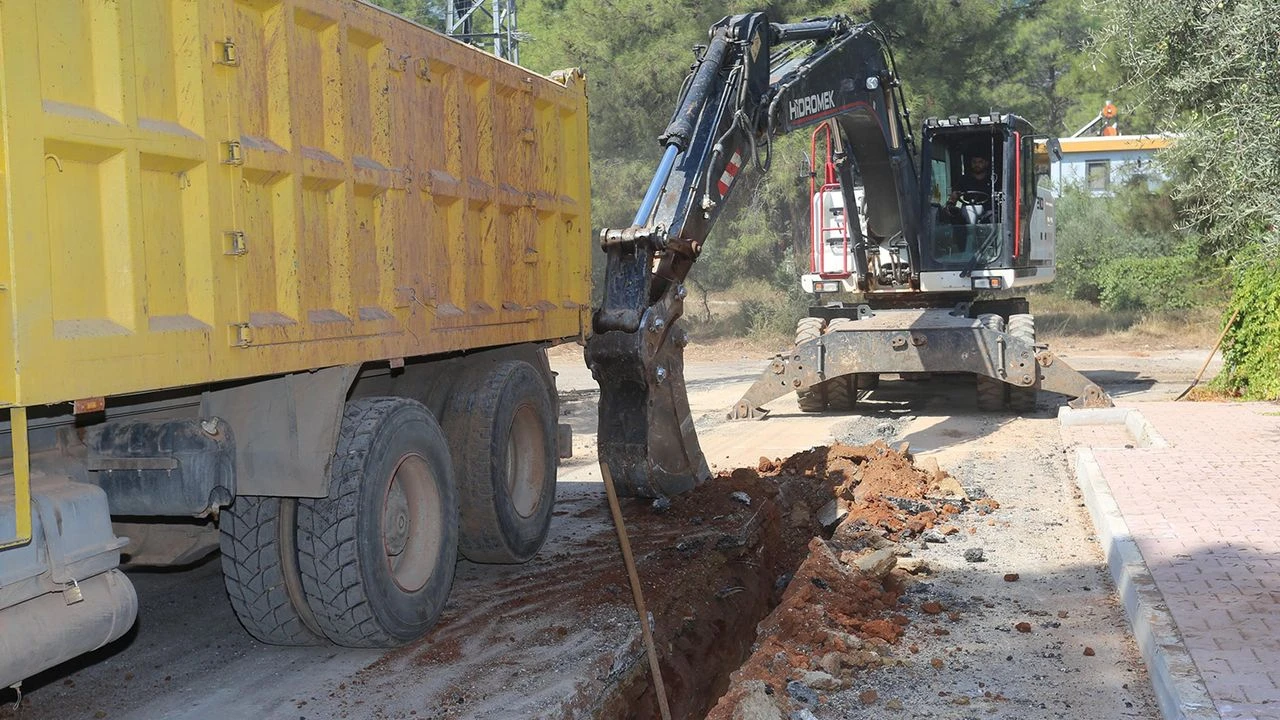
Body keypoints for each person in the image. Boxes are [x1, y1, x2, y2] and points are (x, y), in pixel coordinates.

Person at [943, 153, 998, 225]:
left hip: (988, 213)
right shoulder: (964, 179)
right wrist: (951, 203)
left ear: (986, 163)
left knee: (994, 217)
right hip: (967, 211)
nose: (977, 165)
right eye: (974, 162)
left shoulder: (993, 180)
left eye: (980, 162)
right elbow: (955, 193)